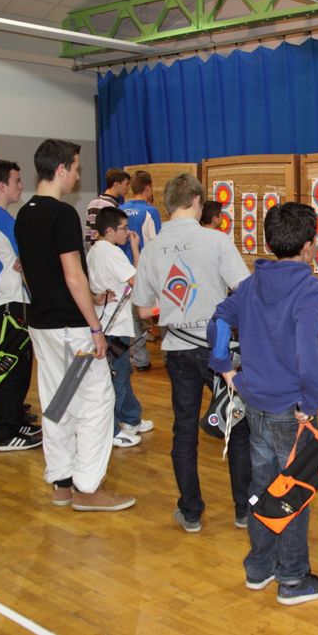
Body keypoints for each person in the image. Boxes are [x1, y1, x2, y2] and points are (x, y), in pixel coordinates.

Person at [207, 201, 318, 606]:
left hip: (256, 405)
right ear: (309, 246)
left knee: (262, 485)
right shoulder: (310, 289)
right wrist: (311, 401)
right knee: (292, 491)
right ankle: (293, 578)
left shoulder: (250, 284)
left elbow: (218, 321)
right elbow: (307, 352)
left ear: (270, 243)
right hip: (291, 410)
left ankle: (259, 566)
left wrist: (225, 368)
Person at [14, 138, 134, 512]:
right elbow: (71, 275)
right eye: (77, 168)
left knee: (58, 401)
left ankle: (62, 483)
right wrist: (95, 327)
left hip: (42, 326)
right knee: (97, 400)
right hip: (72, 331)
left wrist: (90, 298)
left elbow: (33, 273)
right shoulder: (63, 214)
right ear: (62, 168)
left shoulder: (24, 214)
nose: (79, 175)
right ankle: (87, 486)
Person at [132, 173, 251, 533]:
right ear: (197, 201)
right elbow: (244, 291)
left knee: (184, 430)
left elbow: (143, 310)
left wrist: (173, 312)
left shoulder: (151, 249)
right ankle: (243, 510)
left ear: (168, 205)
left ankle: (191, 511)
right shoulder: (216, 240)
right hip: (218, 350)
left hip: (178, 351)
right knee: (237, 427)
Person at [0, 159, 40, 451]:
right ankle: (4, 434)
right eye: (17, 181)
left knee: (18, 365)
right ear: (2, 186)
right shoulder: (1, 219)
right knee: (10, 369)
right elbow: (28, 256)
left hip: (1, 300)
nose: (21, 186)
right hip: (7, 303)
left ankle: (14, 419)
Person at [87, 207, 153, 448]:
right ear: (109, 231)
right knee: (118, 377)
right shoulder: (111, 252)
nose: (127, 232)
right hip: (113, 326)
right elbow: (138, 280)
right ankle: (113, 429)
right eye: (124, 228)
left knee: (122, 373)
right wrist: (136, 249)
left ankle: (131, 418)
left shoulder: (95, 251)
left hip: (108, 324)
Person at [120, 170, 162, 372]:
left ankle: (139, 359)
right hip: (146, 271)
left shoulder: (120, 209)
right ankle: (168, 357)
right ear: (148, 188)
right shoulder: (151, 212)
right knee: (161, 313)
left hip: (124, 271)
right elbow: (157, 244)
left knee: (133, 318)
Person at [84, 168, 130, 246]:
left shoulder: (92, 203)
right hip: (108, 250)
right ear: (116, 184)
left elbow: (88, 234)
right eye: (126, 184)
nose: (128, 188)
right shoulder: (113, 207)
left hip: (94, 250)